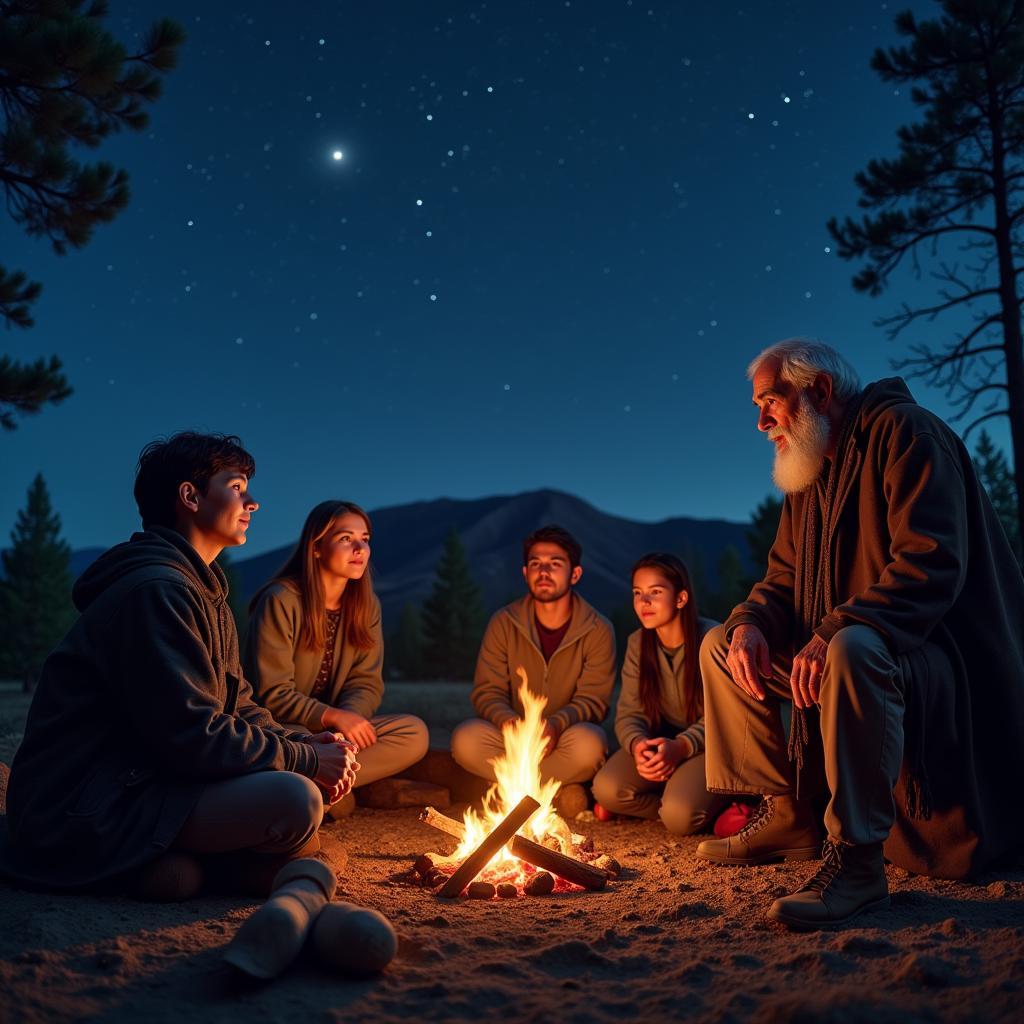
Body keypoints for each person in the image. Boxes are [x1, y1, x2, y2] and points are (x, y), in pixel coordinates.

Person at [695, 339, 1024, 929]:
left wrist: (838, 626)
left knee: (850, 646)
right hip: (856, 646)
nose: (761, 420)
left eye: (771, 401)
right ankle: (789, 812)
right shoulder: (813, 470)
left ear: (819, 391)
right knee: (722, 643)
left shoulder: (908, 434)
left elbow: (931, 564)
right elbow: (784, 579)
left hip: (933, 658)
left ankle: (857, 865)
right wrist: (749, 622)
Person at [1, 433, 357, 899]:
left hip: (146, 783)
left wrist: (303, 742)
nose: (253, 502)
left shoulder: (203, 592)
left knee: (293, 794)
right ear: (190, 496)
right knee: (296, 801)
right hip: (84, 805)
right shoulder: (155, 591)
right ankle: (194, 866)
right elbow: (193, 735)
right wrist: (307, 761)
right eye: (236, 487)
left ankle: (179, 868)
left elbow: (240, 709)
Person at [244, 500, 428, 813]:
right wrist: (333, 717)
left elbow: (366, 682)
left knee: (413, 733)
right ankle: (321, 788)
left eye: (365, 539)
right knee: (297, 742)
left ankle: (320, 786)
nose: (359, 547)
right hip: (284, 729)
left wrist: (347, 723)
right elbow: (272, 694)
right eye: (346, 538)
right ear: (315, 548)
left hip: (334, 734)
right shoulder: (282, 600)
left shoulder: (365, 606)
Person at [452, 524, 615, 789]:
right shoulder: (504, 622)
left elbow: (594, 701)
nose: (544, 571)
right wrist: (512, 724)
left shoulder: (598, 629)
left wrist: (555, 724)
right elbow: (487, 693)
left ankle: (515, 789)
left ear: (575, 574)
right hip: (511, 737)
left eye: (555, 563)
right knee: (466, 740)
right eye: (536, 563)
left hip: (564, 738)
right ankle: (550, 792)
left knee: (590, 745)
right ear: (526, 573)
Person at [591, 553, 723, 835]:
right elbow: (629, 712)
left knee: (681, 817)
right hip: (662, 743)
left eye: (656, 592)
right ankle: (671, 800)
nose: (644, 602)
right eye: (638, 593)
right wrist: (637, 744)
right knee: (606, 789)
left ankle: (723, 807)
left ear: (681, 598)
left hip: (709, 747)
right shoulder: (638, 643)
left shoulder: (712, 639)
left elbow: (726, 718)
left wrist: (683, 746)